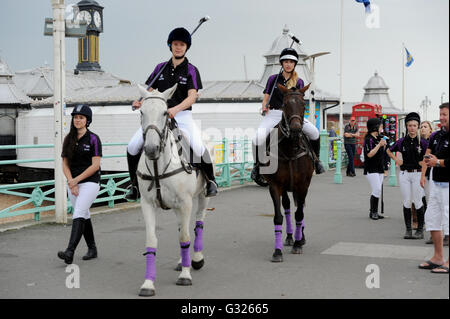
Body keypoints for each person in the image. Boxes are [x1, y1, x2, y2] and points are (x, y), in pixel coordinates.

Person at [126, 27, 218, 200]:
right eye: (175, 44)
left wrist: (175, 109)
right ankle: (134, 185)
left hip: (182, 117)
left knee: (197, 146)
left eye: (182, 44)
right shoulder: (160, 68)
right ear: (170, 45)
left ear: (186, 47)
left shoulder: (191, 70)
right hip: (158, 117)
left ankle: (211, 180)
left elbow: (192, 97)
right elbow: (149, 91)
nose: (178, 47)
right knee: (132, 146)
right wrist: (140, 102)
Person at [251, 48, 324, 184]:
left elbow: (298, 100)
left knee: (314, 132)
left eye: (291, 62)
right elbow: (266, 96)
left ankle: (316, 160)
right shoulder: (273, 79)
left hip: (292, 115)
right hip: (274, 113)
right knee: (257, 138)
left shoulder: (299, 81)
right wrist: (264, 106)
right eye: (286, 61)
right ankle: (256, 166)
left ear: (295, 64)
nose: (288, 64)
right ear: (281, 63)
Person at [58, 104, 102, 264]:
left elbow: (95, 165)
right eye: (75, 117)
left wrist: (76, 180)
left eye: (81, 118)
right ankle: (92, 248)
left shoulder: (93, 139)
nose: (78, 120)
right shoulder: (68, 139)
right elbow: (64, 163)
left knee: (79, 212)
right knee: (84, 214)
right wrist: (71, 181)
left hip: (90, 182)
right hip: (73, 183)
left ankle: (69, 252)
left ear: (87, 120)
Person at [419, 102, 449, 274]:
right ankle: (438, 257)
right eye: (441, 114)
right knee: (432, 219)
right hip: (436, 182)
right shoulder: (436, 135)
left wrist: (438, 162)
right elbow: (427, 155)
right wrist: (423, 174)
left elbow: (436, 160)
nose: (442, 118)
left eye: (445, 114)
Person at [387, 112, 427, 239]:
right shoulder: (401, 141)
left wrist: (423, 174)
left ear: (418, 126)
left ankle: (420, 230)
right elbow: (388, 150)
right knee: (406, 202)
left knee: (418, 201)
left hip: (418, 174)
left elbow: (428, 157)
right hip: (404, 174)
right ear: (406, 126)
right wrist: (396, 160)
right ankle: (408, 230)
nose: (412, 128)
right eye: (410, 125)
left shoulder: (423, 142)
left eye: (415, 125)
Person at [363, 117, 386, 220]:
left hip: (379, 167)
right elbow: (369, 154)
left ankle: (374, 211)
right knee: (376, 189)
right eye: (380, 126)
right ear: (375, 127)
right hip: (371, 168)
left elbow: (383, 154)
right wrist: (379, 145)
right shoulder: (368, 139)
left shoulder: (379, 138)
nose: (382, 128)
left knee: (377, 190)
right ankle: (373, 212)